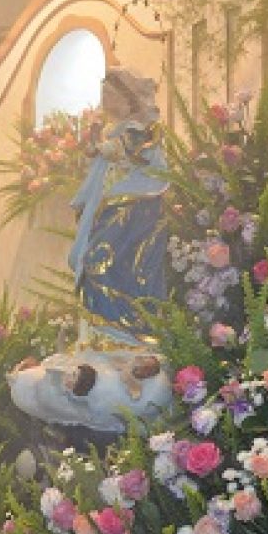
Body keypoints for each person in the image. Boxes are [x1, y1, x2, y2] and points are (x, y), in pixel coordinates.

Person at [67, 68, 169, 337]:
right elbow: (102, 159)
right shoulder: (114, 130)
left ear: (127, 100)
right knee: (90, 258)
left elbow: (131, 153)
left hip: (134, 208)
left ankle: (122, 328)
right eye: (103, 94)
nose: (105, 100)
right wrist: (95, 146)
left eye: (110, 95)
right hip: (110, 205)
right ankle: (103, 329)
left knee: (103, 260)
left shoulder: (139, 130)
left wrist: (105, 147)